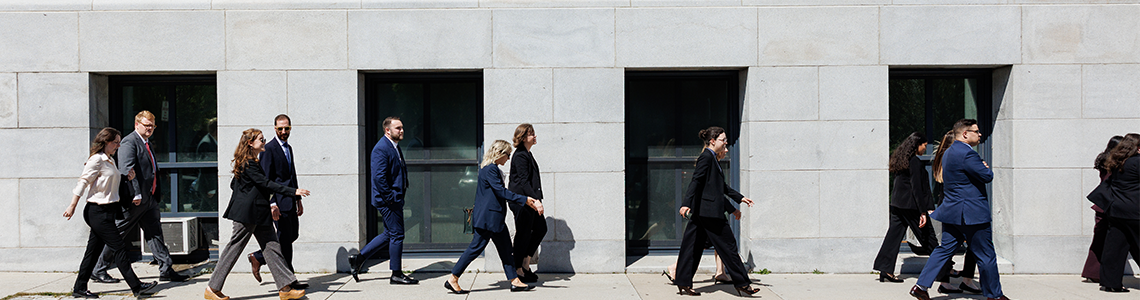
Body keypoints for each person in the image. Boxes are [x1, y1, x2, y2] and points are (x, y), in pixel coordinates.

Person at [910, 119, 1010, 300]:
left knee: (943, 250)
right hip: (972, 214)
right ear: (965, 134)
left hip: (952, 212)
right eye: (976, 131)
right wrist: (984, 167)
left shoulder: (948, 153)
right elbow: (987, 176)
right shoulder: (968, 154)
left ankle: (920, 286)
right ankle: (995, 296)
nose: (980, 134)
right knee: (986, 255)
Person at [206, 128, 310, 300]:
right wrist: (293, 191)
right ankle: (212, 288)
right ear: (250, 143)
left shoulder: (250, 161)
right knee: (234, 248)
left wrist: (253, 195)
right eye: (261, 139)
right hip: (247, 214)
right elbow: (266, 183)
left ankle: (285, 288)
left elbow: (235, 185)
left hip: (258, 213)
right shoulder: (248, 163)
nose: (264, 142)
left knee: (273, 248)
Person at [92, 111, 189, 283]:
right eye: (147, 125)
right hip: (135, 200)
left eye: (152, 126)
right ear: (137, 125)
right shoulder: (130, 142)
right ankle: (98, 269)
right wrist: (135, 193)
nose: (150, 128)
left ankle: (166, 268)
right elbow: (127, 170)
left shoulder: (147, 143)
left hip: (149, 199)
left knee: (155, 234)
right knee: (117, 233)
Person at [65, 127, 158, 298]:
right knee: (119, 248)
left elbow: (110, 182)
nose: (118, 146)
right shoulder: (97, 160)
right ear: (106, 142)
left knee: (92, 253)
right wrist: (72, 205)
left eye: (119, 142)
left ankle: (79, 288)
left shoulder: (109, 159)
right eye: (115, 142)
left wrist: (126, 179)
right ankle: (137, 287)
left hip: (108, 211)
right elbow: (83, 182)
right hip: (97, 212)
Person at [444, 140, 545, 294]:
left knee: (506, 251)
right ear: (500, 154)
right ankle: (453, 278)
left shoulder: (491, 169)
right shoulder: (490, 169)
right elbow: (500, 191)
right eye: (508, 155)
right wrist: (524, 199)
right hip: (488, 219)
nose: (509, 158)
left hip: (493, 219)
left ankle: (514, 280)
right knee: (475, 249)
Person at [674, 126, 759, 297]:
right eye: (723, 140)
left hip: (703, 212)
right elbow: (696, 181)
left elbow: (719, 188)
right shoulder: (707, 157)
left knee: (692, 247)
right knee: (728, 246)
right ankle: (742, 283)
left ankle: (683, 282)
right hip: (710, 214)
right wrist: (685, 204)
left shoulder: (713, 159)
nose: (726, 142)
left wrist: (739, 198)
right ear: (712, 141)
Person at [351, 116, 418, 284]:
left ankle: (358, 259)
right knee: (397, 234)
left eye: (402, 127)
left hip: (393, 198)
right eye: (398, 128)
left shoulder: (394, 146)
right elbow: (379, 178)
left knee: (389, 233)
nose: (402, 130)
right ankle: (396, 273)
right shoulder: (381, 148)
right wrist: (390, 198)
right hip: (388, 200)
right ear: (387, 130)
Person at [664, 145, 732, 285]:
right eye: (724, 147)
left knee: (715, 243)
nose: (726, 150)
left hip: (712, 212)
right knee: (701, 244)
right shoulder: (708, 163)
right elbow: (701, 186)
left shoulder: (714, 163)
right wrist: (686, 204)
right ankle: (675, 267)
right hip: (707, 213)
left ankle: (721, 272)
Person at [249, 115, 304, 281]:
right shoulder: (269, 149)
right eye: (280, 128)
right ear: (275, 128)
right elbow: (265, 180)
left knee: (291, 235)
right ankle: (290, 279)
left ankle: (258, 257)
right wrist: (272, 203)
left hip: (290, 200)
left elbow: (291, 175)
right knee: (284, 240)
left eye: (286, 128)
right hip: (278, 203)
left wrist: (298, 199)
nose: (283, 131)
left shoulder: (289, 148)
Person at [873, 132, 933, 283]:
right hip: (910, 206)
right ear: (917, 145)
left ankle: (885, 269)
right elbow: (917, 189)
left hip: (897, 204)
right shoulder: (914, 162)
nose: (925, 149)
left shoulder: (901, 160)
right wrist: (923, 211)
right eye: (924, 145)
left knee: (893, 237)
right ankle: (945, 269)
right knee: (928, 237)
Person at [929, 131, 980, 294]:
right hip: (960, 205)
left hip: (947, 203)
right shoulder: (956, 159)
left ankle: (945, 282)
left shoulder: (942, 160)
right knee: (974, 241)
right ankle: (967, 280)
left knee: (947, 246)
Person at [1088, 133, 1140, 293]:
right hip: (1134, 212)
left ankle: (1110, 283)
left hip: (1116, 211)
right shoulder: (1137, 162)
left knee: (1114, 248)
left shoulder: (1116, 162)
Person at [1081, 135, 1122, 283]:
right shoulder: (1113, 163)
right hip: (1108, 206)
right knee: (1104, 240)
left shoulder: (1103, 159)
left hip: (1102, 205)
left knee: (1099, 240)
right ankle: (1095, 272)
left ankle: (1093, 272)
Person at [508, 124, 546, 283]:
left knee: (541, 228)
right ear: (523, 138)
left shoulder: (527, 154)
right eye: (531, 134)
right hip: (522, 201)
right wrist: (536, 201)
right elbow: (523, 182)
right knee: (523, 235)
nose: (534, 136)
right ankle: (517, 270)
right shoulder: (521, 156)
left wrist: (536, 200)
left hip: (529, 200)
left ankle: (525, 264)